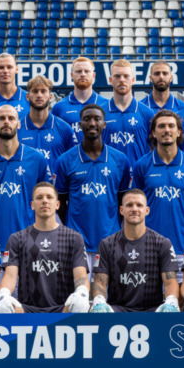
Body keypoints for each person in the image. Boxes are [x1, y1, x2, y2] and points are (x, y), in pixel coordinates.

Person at [55, 104, 132, 269]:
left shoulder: (120, 160)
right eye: (87, 119)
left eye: (97, 119)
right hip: (76, 241)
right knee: (79, 292)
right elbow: (60, 202)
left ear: (104, 124)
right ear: (80, 124)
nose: (92, 123)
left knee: (107, 293)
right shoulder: (65, 160)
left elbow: (122, 200)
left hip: (110, 239)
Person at [0, 183, 91, 313]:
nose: (44, 200)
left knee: (80, 307)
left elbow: (80, 276)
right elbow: (10, 276)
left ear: (57, 204)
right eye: (39, 197)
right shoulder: (17, 238)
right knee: (6, 309)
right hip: (27, 309)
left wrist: (82, 292)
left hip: (64, 308)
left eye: (49, 197)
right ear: (32, 205)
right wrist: (3, 294)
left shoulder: (74, 238)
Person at [0, 104, 52, 253]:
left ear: (19, 124)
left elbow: (46, 200)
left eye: (11, 118)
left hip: (29, 242)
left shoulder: (36, 159)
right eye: (1, 118)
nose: (6, 122)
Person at [132, 110, 184, 265]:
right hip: (148, 246)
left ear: (178, 131)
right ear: (153, 133)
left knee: (182, 289)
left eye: (171, 126)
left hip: (182, 247)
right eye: (161, 126)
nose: (166, 130)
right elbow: (135, 205)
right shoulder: (141, 165)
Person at [91, 188, 181, 312]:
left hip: (152, 310)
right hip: (118, 310)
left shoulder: (162, 243)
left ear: (147, 210)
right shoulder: (107, 244)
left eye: (139, 205)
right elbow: (100, 282)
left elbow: (170, 282)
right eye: (129, 205)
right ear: (121, 210)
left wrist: (171, 301)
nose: (134, 209)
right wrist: (99, 300)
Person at [20, 74, 76, 178]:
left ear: (50, 97)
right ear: (27, 96)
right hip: (25, 190)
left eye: (43, 91)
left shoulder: (64, 129)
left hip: (55, 191)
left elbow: (73, 164)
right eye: (35, 91)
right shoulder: (17, 128)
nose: (39, 95)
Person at [104, 59, 153, 164]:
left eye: (126, 76)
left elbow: (155, 148)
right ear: (110, 80)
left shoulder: (147, 113)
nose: (122, 80)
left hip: (138, 176)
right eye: (117, 76)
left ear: (133, 79)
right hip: (108, 175)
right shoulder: (100, 113)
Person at [52, 56, 109, 135]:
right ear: (72, 75)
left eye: (87, 71)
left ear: (93, 75)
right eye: (78, 71)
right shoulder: (59, 107)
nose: (83, 74)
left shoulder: (106, 104)